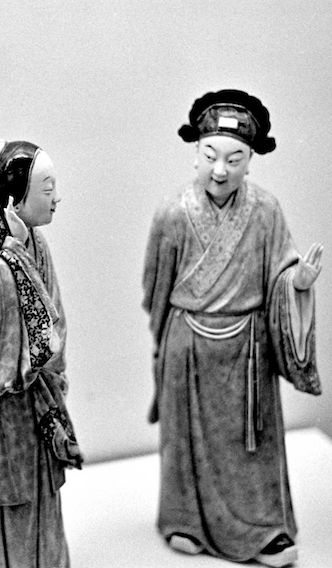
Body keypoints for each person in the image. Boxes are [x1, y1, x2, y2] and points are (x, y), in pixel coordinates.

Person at [142, 89, 323, 568]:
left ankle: (265, 530)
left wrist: (296, 284)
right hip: (188, 343)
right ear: (195, 153)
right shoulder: (172, 213)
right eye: (210, 156)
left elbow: (280, 272)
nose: (220, 170)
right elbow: (156, 287)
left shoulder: (265, 211)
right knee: (186, 441)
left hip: (247, 347)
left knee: (252, 444)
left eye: (234, 159)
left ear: (250, 161)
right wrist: (161, 347)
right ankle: (185, 520)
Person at [0, 140, 82, 568]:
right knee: (5, 498)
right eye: (47, 188)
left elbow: (55, 319)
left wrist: (51, 371)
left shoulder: (37, 243)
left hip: (36, 398)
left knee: (40, 497)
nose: (57, 197)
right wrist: (11, 261)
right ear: (16, 198)